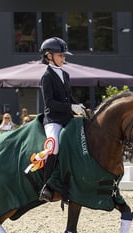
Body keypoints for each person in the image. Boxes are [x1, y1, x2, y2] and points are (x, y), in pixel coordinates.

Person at [38, 37, 86, 202]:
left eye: (64, 56)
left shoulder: (65, 74)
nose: (64, 58)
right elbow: (50, 103)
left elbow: (68, 97)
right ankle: (46, 186)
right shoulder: (46, 77)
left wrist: (79, 106)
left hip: (67, 118)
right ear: (49, 56)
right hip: (53, 119)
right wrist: (70, 107)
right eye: (60, 56)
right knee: (54, 147)